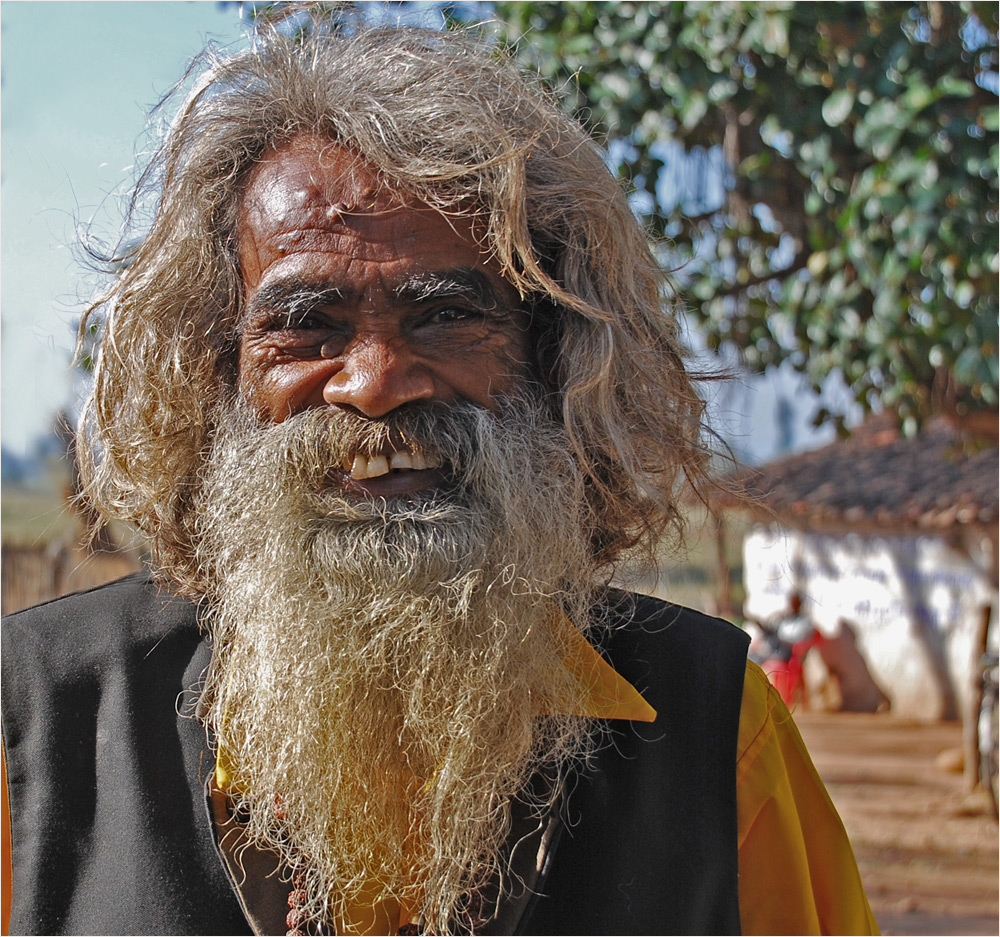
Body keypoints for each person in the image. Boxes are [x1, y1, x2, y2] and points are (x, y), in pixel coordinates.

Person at [1, 21, 878, 937]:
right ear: (218, 375)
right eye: (309, 326)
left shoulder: (717, 738)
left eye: (448, 316)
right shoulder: (35, 729)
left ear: (557, 363)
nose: (375, 381)